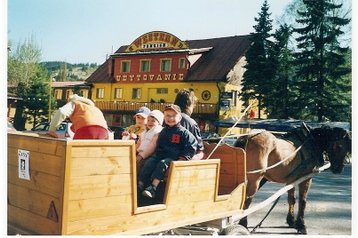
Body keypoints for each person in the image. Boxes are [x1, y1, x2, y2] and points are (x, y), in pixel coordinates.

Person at [138, 104, 198, 199]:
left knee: (163, 163)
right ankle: (141, 183)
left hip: (174, 158)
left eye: (173, 116)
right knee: (150, 161)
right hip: (160, 155)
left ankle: (153, 187)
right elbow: (156, 145)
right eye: (167, 115)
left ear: (180, 117)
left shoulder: (184, 133)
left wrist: (183, 158)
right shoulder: (163, 131)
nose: (170, 118)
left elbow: (192, 146)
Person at [174, 89, 205, 160]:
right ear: (189, 105)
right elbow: (199, 149)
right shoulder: (191, 123)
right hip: (182, 159)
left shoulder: (166, 118)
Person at [136, 109, 164, 175]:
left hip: (148, 155)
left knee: (141, 165)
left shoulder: (157, 132)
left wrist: (141, 155)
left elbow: (152, 146)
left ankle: (139, 181)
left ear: (159, 123)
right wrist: (134, 151)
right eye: (148, 120)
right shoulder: (144, 131)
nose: (149, 122)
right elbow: (139, 143)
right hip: (140, 153)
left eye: (153, 121)